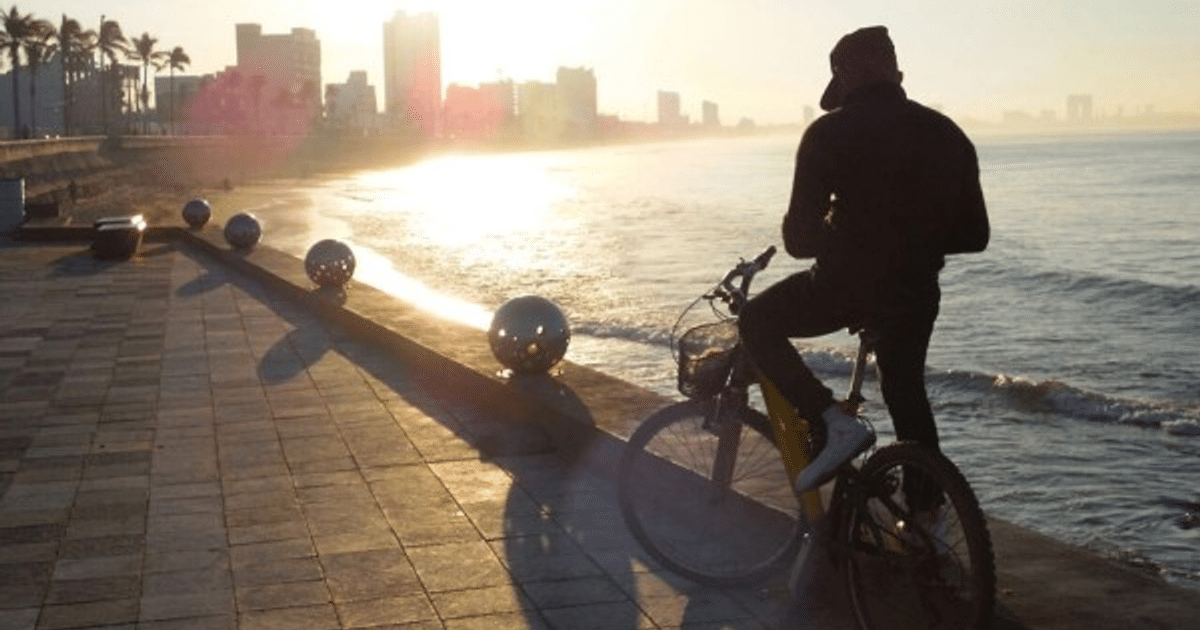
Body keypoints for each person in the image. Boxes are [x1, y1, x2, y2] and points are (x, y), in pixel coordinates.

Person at [738, 26, 989, 495]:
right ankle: (927, 522)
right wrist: (911, 240)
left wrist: (843, 227)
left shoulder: (828, 133)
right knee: (906, 397)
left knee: (756, 320)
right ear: (896, 71)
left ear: (845, 77)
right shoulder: (946, 133)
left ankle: (832, 419)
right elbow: (976, 236)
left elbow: (798, 240)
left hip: (844, 287)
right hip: (915, 292)